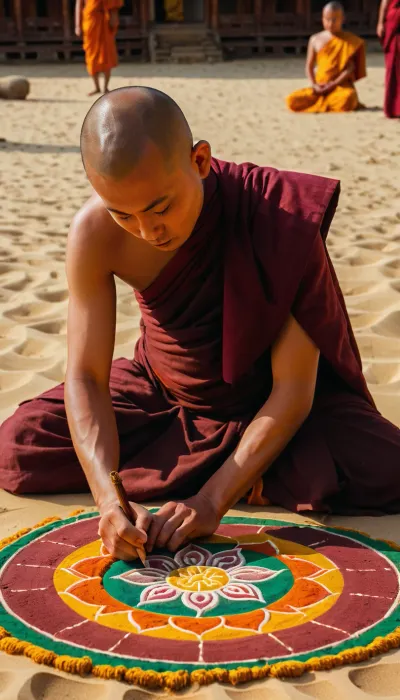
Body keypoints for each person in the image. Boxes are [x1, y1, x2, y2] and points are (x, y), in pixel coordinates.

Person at [1, 87, 400, 563]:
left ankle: (231, 469)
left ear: (201, 160)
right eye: (123, 214)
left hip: (271, 405)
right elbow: (86, 376)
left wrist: (212, 502)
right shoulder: (93, 233)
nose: (148, 231)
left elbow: (294, 392)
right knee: (19, 444)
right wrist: (109, 500)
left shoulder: (280, 217)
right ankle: (252, 472)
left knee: (387, 466)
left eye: (160, 208)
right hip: (163, 395)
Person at [286, 2, 366, 113]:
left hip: (340, 86)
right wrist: (314, 85)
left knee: (348, 99)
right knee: (292, 100)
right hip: (320, 86)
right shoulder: (315, 39)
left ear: (342, 19)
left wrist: (334, 84)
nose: (330, 23)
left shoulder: (350, 41)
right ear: (322, 18)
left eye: (334, 19)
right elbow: (309, 67)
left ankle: (325, 102)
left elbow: (350, 68)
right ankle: (323, 100)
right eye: (327, 19)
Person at [75, 0, 123, 96]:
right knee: (91, 56)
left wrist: (114, 18)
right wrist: (77, 25)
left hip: (105, 21)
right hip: (90, 21)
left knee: (106, 55)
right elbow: (79, 5)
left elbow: (114, 5)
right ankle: (96, 87)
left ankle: (105, 88)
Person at [377, 0, 400, 118]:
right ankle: (392, 109)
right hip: (393, 23)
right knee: (392, 69)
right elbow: (385, 1)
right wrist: (380, 23)